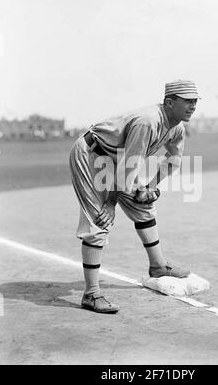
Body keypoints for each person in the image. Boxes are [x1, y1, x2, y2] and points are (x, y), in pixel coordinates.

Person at [69, 79, 200, 314]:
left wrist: (150, 187)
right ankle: (91, 294)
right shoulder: (148, 122)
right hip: (91, 155)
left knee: (144, 206)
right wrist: (110, 203)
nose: (193, 106)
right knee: (99, 220)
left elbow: (173, 160)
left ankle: (158, 266)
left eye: (195, 101)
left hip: (117, 160)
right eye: (187, 101)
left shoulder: (177, 128)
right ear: (169, 102)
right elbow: (130, 166)